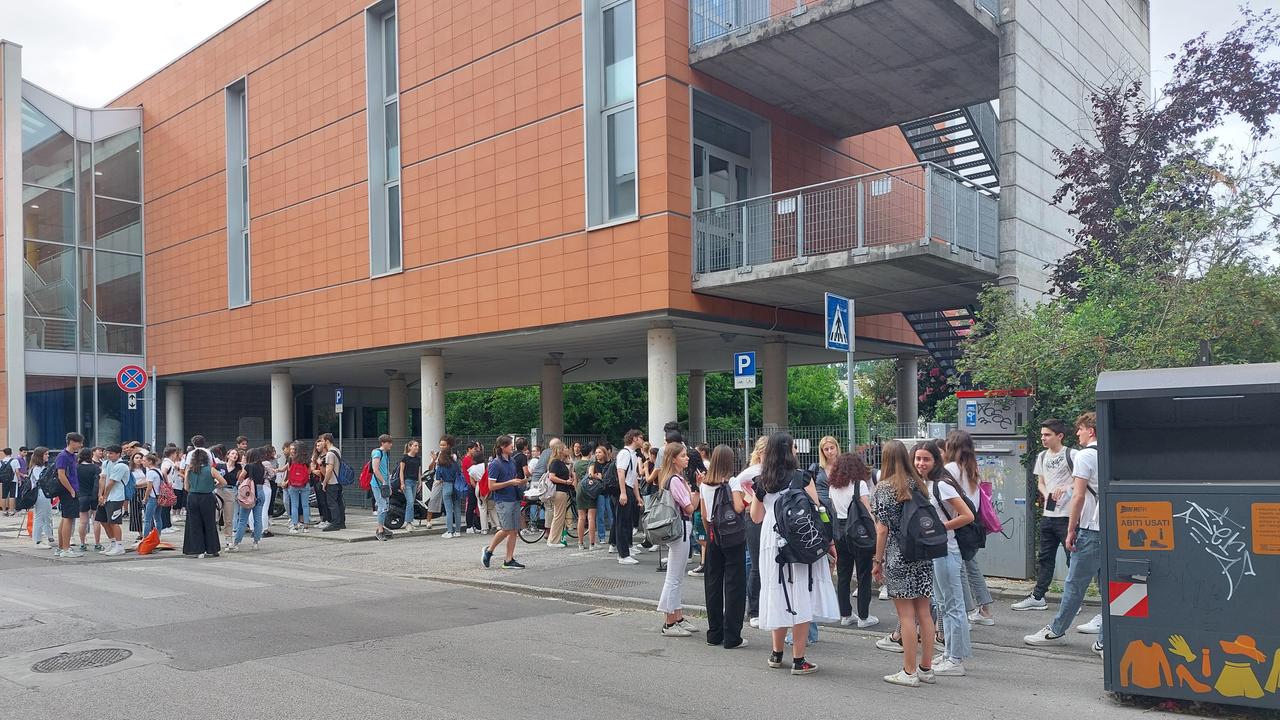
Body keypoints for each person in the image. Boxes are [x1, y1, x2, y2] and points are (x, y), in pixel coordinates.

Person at [752, 432, 837, 675]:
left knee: (777, 591)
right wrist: (829, 541)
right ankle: (799, 660)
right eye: (793, 447)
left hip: (772, 539)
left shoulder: (762, 481)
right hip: (801, 539)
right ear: (788, 451)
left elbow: (756, 517)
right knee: (802, 594)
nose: (797, 451)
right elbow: (817, 509)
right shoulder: (802, 477)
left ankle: (776, 653)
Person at [1025, 412, 1105, 657]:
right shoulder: (1110, 452)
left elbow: (1078, 496)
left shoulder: (1085, 456)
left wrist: (1072, 529)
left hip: (1091, 527)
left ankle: (1057, 630)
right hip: (1111, 527)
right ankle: (1105, 638)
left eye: (1080, 429)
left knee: (1074, 583)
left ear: (1091, 431)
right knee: (1109, 585)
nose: (1077, 433)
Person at [872, 439, 937, 687]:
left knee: (906, 615)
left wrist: (877, 560)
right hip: (923, 553)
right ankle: (926, 668)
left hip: (899, 555)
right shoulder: (919, 484)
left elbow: (882, 529)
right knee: (924, 613)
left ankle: (908, 672)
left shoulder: (884, 488)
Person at [916, 440, 975, 678]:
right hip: (936, 551)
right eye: (918, 458)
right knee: (943, 605)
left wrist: (941, 528)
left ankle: (956, 659)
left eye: (926, 459)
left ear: (936, 460)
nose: (921, 463)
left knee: (953, 605)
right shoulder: (928, 483)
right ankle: (950, 652)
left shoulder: (942, 484)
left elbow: (967, 515)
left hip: (947, 550)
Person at [1013, 419, 1078, 612]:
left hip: (1068, 515)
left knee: (1072, 558)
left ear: (1060, 436)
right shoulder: (1042, 456)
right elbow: (1041, 482)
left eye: (1047, 435)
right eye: (1042, 435)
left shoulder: (1072, 454)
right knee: (1045, 557)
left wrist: (1065, 488)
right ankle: (1038, 596)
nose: (1043, 438)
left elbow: (1082, 481)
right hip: (1049, 514)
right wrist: (1046, 492)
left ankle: (1073, 599)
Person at [944, 430, 995, 626]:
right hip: (973, 525)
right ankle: (984, 610)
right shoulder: (972, 468)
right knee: (971, 567)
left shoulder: (951, 468)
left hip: (957, 524)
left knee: (960, 570)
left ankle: (966, 612)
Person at [699, 444, 747, 649]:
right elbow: (738, 507)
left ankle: (714, 633)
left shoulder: (704, 484)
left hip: (713, 536)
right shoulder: (732, 481)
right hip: (733, 538)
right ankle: (732, 636)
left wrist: (710, 531)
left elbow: (703, 514)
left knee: (713, 582)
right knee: (734, 584)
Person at [830, 451, 879, 629]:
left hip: (840, 531)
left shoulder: (833, 486)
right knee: (863, 574)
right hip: (858, 530)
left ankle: (846, 614)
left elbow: (834, 508)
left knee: (843, 574)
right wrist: (875, 531)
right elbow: (867, 510)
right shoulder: (860, 485)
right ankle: (864, 617)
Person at [655, 442, 698, 637]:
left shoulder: (674, 478)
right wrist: (695, 492)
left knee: (677, 576)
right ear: (673, 459)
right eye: (683, 456)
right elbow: (689, 508)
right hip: (680, 527)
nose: (687, 458)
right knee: (674, 577)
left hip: (679, 527)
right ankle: (669, 622)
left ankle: (677, 617)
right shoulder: (675, 480)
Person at [481, 435, 526, 569]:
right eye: (510, 444)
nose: (512, 446)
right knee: (507, 529)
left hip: (514, 498)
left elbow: (511, 479)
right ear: (502, 446)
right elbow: (491, 486)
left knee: (514, 530)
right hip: (503, 500)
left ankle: (508, 559)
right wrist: (510, 482)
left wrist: (520, 482)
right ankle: (489, 550)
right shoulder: (495, 464)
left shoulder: (512, 461)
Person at [738, 436, 768, 627]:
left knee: (763, 563)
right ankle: (754, 610)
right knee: (757, 563)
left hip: (767, 517)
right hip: (754, 518)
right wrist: (748, 500)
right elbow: (737, 486)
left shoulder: (769, 470)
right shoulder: (753, 471)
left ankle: (761, 607)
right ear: (760, 452)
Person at [182, 443, 225, 558]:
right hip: (207, 497)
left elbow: (186, 487)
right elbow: (223, 482)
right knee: (209, 523)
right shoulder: (210, 469)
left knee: (194, 523)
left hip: (192, 497)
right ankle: (212, 549)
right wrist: (213, 486)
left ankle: (197, 549)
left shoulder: (189, 470)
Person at [612, 429, 644, 565]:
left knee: (627, 521)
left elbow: (633, 477)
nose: (643, 440)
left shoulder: (633, 455)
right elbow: (621, 473)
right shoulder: (625, 453)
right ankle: (623, 554)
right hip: (624, 488)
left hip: (629, 488)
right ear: (634, 438)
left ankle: (626, 551)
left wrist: (637, 496)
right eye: (641, 438)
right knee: (622, 522)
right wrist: (623, 492)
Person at [230, 446, 268, 550]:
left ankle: (236, 543)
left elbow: (240, 477)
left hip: (249, 493)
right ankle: (256, 542)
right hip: (261, 492)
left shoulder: (248, 466)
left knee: (242, 519)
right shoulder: (262, 467)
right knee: (258, 519)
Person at [53, 433, 84, 557]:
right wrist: (71, 490)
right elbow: (61, 475)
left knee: (65, 518)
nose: (81, 445)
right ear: (71, 442)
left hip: (71, 490)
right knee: (68, 519)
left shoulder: (72, 456)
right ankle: (66, 549)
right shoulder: (63, 456)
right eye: (79, 442)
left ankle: (61, 547)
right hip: (68, 491)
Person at [95, 445, 128, 556]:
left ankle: (119, 546)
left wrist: (104, 496)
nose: (109, 455)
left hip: (116, 497)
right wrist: (100, 495)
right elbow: (103, 478)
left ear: (118, 454)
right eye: (107, 453)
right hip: (106, 496)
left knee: (114, 522)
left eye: (111, 453)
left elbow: (111, 482)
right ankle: (112, 543)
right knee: (103, 520)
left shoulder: (121, 466)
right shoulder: (106, 463)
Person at [545, 439, 574, 548]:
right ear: (560, 450)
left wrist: (570, 463)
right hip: (559, 491)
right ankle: (553, 540)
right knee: (558, 516)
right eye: (565, 448)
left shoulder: (559, 462)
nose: (567, 449)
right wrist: (565, 482)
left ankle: (554, 539)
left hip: (561, 490)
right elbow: (552, 477)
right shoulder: (556, 462)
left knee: (558, 516)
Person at [434, 437, 465, 538]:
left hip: (446, 485)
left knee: (448, 510)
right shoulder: (455, 464)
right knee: (457, 509)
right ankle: (458, 531)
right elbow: (459, 473)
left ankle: (449, 531)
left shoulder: (440, 465)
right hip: (456, 486)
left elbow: (438, 477)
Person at [75, 447, 103, 552]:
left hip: (82, 496)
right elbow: (98, 482)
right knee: (96, 521)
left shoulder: (76, 468)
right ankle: (97, 543)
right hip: (94, 495)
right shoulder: (95, 468)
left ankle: (82, 543)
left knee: (83, 521)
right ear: (91, 456)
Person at [574, 444, 601, 550]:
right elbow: (590, 475)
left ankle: (580, 543)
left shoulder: (576, 464)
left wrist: (577, 490)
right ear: (590, 452)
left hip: (580, 489)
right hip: (590, 489)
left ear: (581, 452)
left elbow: (575, 481)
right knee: (591, 518)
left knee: (581, 518)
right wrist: (598, 477)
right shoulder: (591, 462)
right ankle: (592, 543)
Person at [318, 433, 347, 531]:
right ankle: (341, 522)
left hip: (332, 481)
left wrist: (325, 482)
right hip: (338, 481)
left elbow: (329, 470)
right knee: (339, 502)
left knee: (332, 503)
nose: (321, 443)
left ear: (327, 441)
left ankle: (335, 523)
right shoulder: (337, 450)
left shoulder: (330, 453)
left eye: (322, 441)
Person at [29, 447, 55, 550]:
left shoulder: (41, 467)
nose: (48, 456)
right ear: (40, 456)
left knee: (46, 516)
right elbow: (41, 480)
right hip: (40, 493)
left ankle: (49, 537)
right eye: (46, 454)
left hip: (44, 493)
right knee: (40, 517)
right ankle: (37, 540)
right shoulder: (37, 468)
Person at [370, 434, 394, 541]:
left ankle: (381, 527)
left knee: (385, 506)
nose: (390, 445)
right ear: (383, 443)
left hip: (384, 484)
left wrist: (388, 484)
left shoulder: (386, 453)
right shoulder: (377, 453)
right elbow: (375, 469)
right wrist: (384, 482)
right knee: (382, 506)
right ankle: (380, 530)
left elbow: (385, 470)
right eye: (388, 443)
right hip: (378, 484)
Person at [284, 441, 313, 532]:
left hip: (293, 484)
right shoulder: (307, 459)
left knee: (294, 506)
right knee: (305, 505)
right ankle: (306, 527)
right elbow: (309, 472)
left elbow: (289, 471)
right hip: (305, 484)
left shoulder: (291, 459)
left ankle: (295, 526)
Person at [399, 439, 423, 528]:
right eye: (415, 446)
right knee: (410, 501)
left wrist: (420, 482)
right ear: (410, 447)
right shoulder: (405, 458)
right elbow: (401, 471)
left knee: (411, 502)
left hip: (415, 482)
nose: (417, 447)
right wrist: (402, 483)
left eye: (418, 446)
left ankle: (410, 522)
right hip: (407, 482)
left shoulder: (418, 458)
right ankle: (408, 522)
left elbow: (418, 471)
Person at [0, 448, 16, 516]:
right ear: (11, 452)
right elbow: (17, 471)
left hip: (4, 480)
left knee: (4, 496)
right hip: (13, 480)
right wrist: (19, 479)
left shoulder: (1, 462)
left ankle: (4, 511)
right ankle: (11, 511)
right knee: (12, 495)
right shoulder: (14, 460)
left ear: (4, 453)